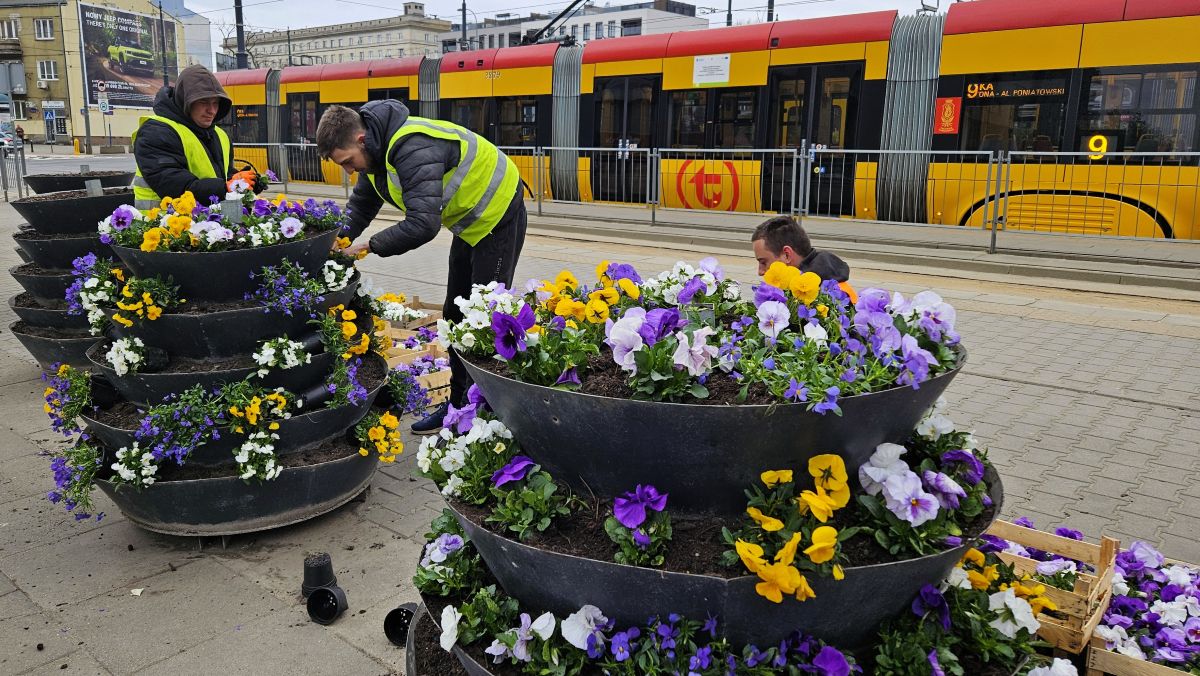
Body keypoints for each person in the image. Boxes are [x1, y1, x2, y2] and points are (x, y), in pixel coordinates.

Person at [316, 101, 527, 435]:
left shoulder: (411, 147)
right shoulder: (377, 154)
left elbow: (422, 225)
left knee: (484, 321)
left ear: (360, 139)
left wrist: (368, 246)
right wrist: (335, 241)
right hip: (470, 223)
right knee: (455, 315)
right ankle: (459, 406)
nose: (350, 171)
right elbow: (361, 206)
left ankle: (486, 416)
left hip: (497, 215)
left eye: (347, 162)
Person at [132, 64, 240, 209]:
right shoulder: (156, 131)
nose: (212, 110)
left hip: (207, 225)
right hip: (161, 226)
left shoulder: (220, 135)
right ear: (185, 101)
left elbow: (223, 174)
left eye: (216, 103)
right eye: (204, 102)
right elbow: (177, 186)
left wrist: (243, 180)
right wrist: (228, 186)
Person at [751, 215, 850, 282]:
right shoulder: (828, 282)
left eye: (763, 262)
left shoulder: (808, 302)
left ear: (787, 255)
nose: (760, 272)